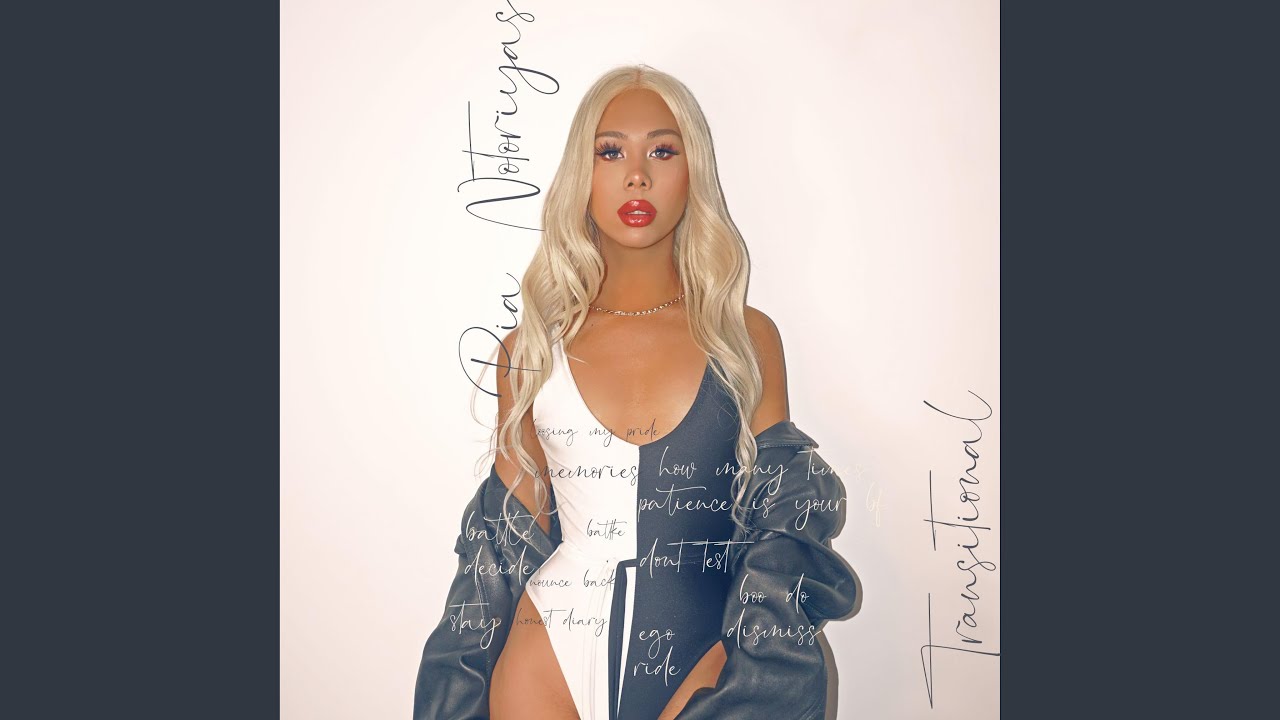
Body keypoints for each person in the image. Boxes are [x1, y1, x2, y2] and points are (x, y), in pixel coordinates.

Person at [415, 65, 857, 720]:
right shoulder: (529, 351)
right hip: (546, 653)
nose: (637, 176)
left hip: (703, 656)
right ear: (582, 173)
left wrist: (763, 655)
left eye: (663, 151)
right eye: (610, 151)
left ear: (693, 170)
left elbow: (781, 526)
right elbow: (500, 552)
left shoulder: (744, 339)